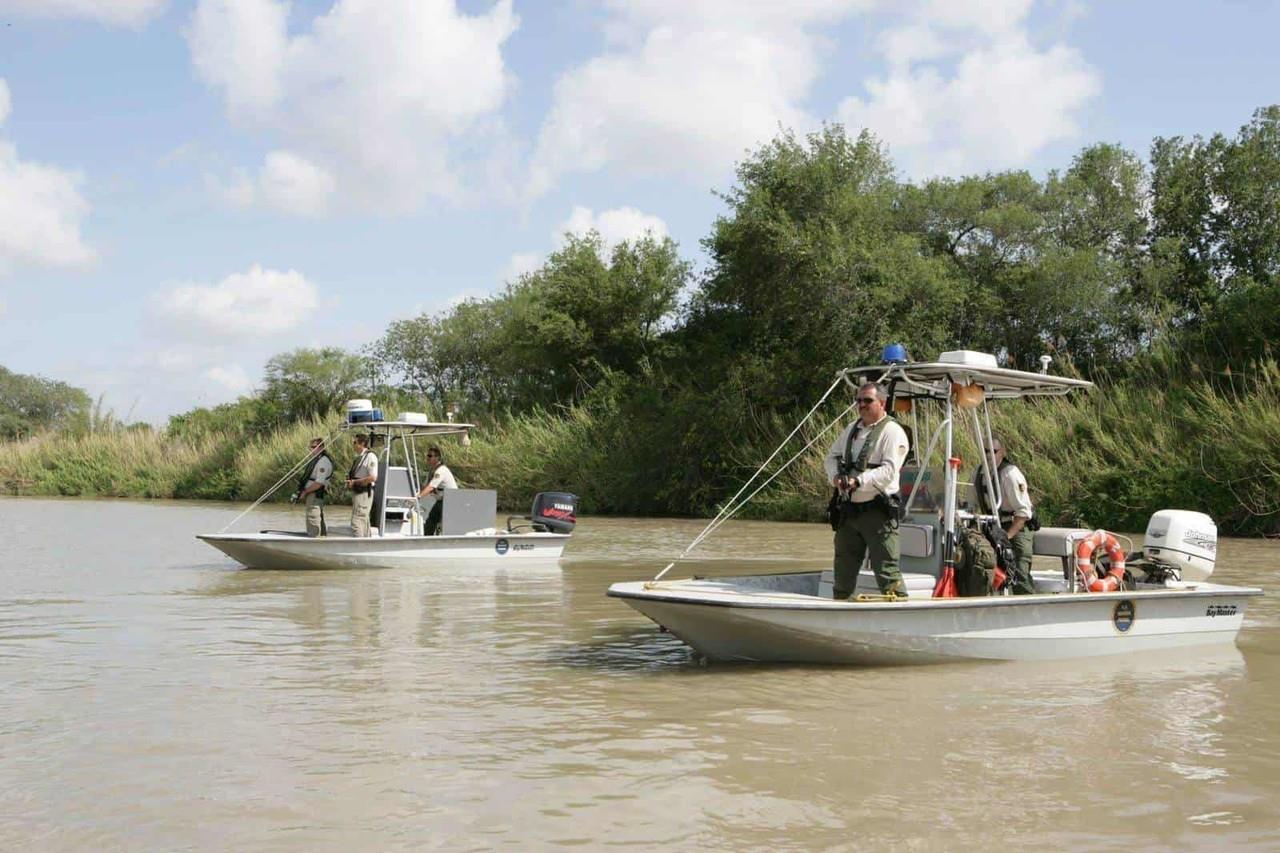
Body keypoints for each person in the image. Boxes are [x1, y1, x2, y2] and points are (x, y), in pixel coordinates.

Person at [824, 382, 911, 600]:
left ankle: (899, 614)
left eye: (867, 400)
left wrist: (859, 481)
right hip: (849, 511)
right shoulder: (852, 429)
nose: (861, 405)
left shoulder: (893, 432)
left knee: (887, 571)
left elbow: (890, 470)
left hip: (878, 514)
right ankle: (841, 609)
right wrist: (835, 477)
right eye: (859, 400)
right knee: (842, 570)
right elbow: (831, 457)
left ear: (882, 403)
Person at [971, 436, 1038, 582]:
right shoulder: (977, 473)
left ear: (1002, 453)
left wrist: (1006, 537)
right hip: (992, 527)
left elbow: (1023, 512)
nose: (988, 455)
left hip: (1016, 527)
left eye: (993, 451)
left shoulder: (1010, 474)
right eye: (985, 451)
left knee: (1019, 576)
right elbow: (972, 506)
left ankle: (1028, 600)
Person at [293, 437, 334, 537]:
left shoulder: (323, 462)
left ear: (321, 448)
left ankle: (314, 536)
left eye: (314, 447)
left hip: (315, 493)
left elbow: (318, 483)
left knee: (313, 516)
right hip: (312, 492)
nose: (311, 449)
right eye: (311, 447)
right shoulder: (317, 460)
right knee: (316, 516)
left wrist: (305, 492)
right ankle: (321, 536)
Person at [416, 445, 458, 535]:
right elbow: (424, 487)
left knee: (445, 524)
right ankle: (426, 539)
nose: (428, 458)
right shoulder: (432, 471)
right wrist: (415, 494)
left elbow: (431, 487)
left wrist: (418, 497)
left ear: (437, 458)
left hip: (450, 501)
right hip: (441, 501)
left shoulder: (441, 470)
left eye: (430, 456)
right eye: (427, 455)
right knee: (431, 520)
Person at [345, 433, 378, 537]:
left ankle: (359, 544)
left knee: (357, 522)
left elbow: (373, 477)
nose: (353, 445)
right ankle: (367, 543)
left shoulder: (370, 457)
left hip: (364, 493)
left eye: (355, 442)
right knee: (363, 520)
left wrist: (355, 482)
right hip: (358, 492)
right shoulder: (360, 457)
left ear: (362, 443)